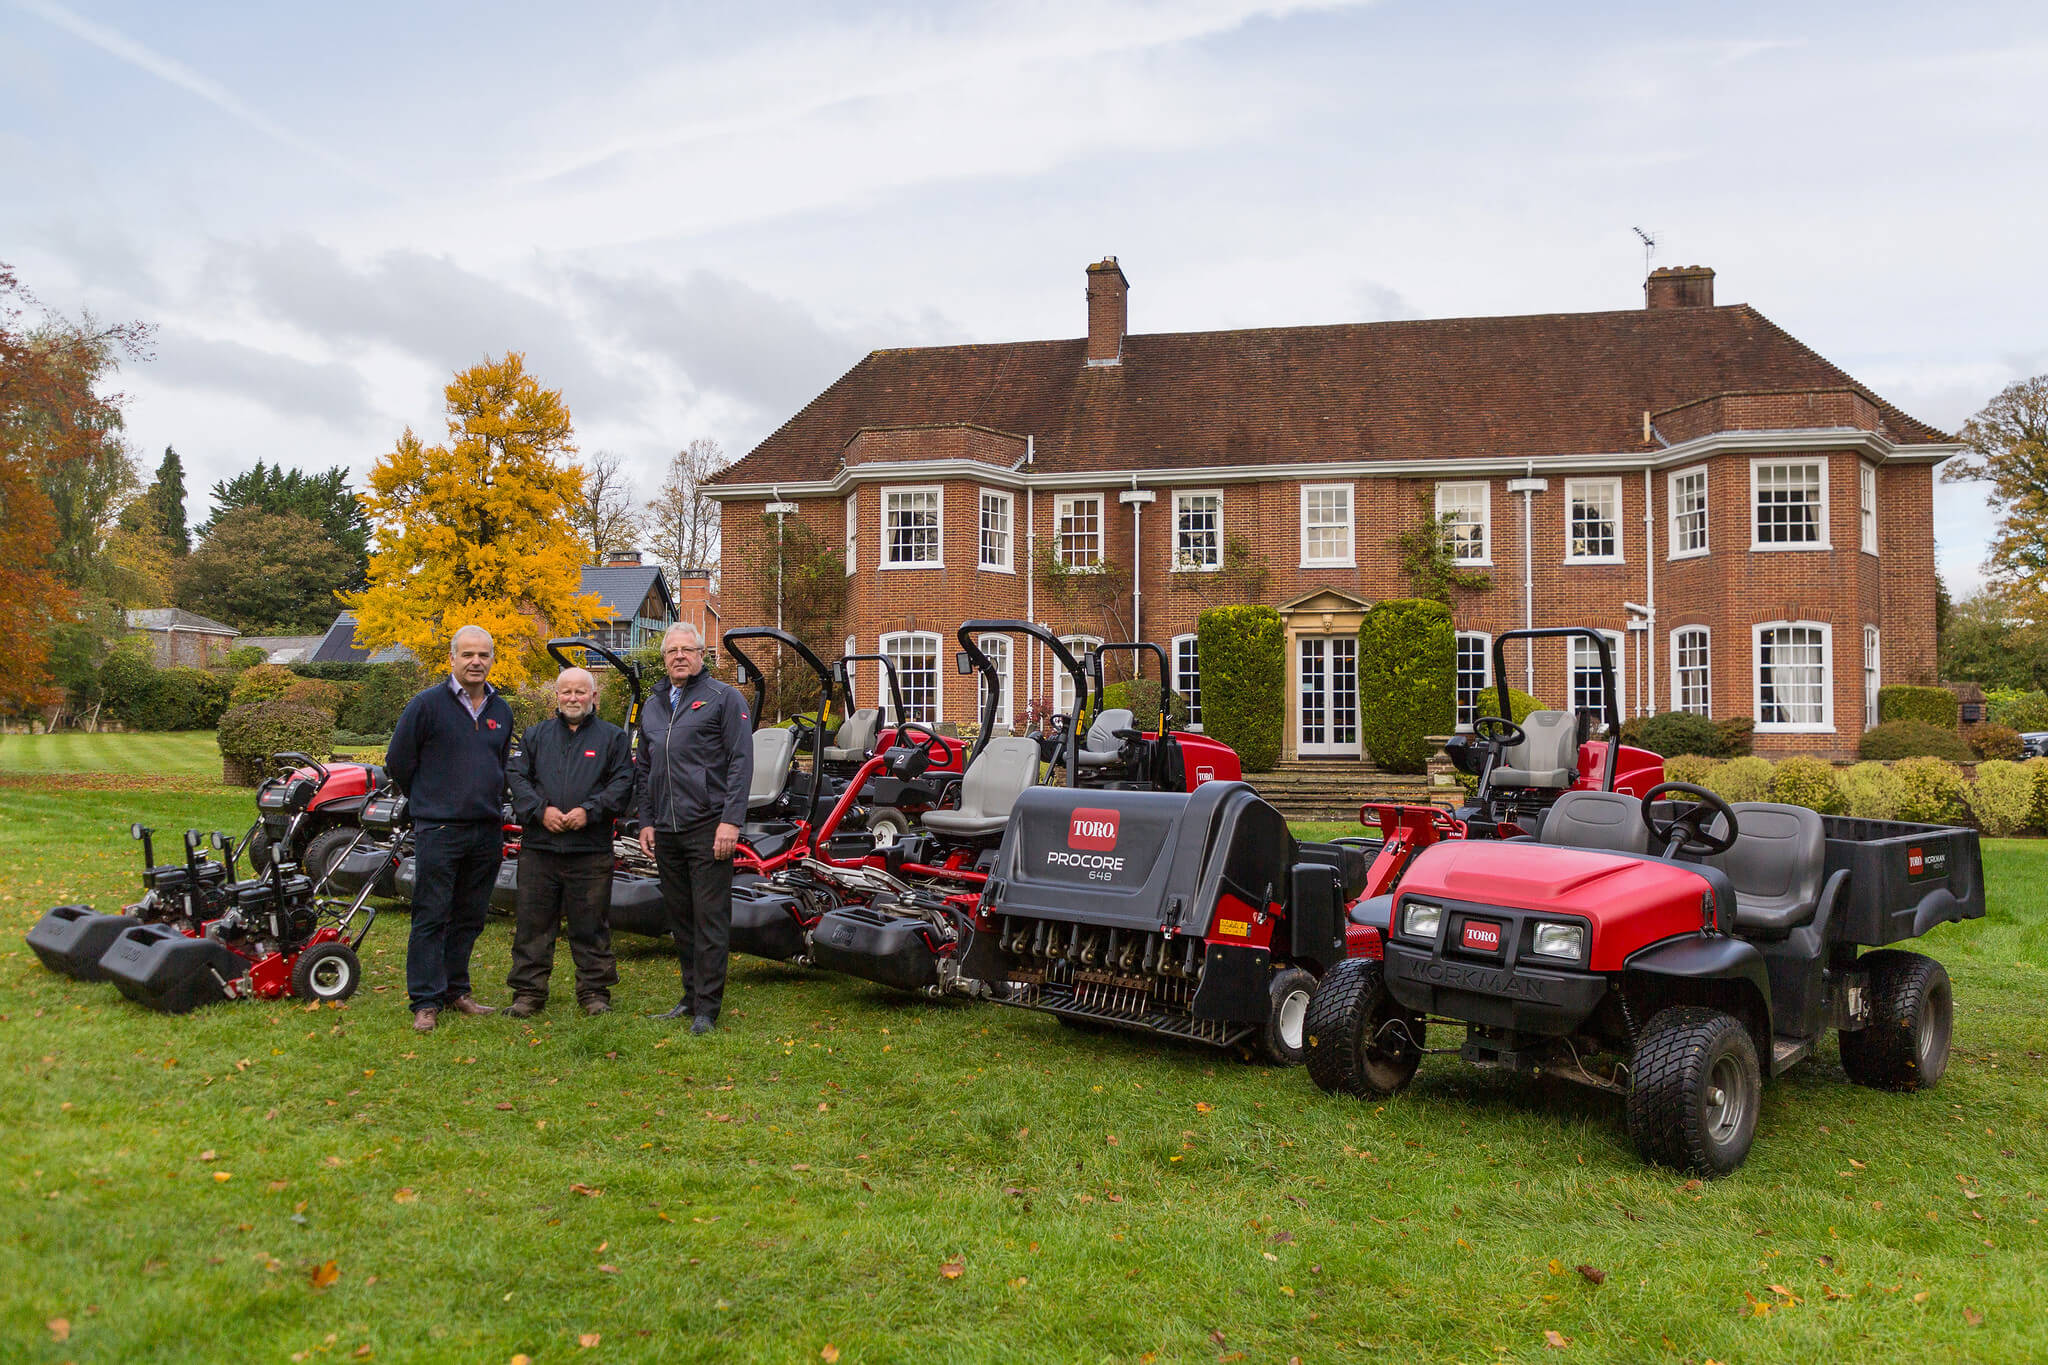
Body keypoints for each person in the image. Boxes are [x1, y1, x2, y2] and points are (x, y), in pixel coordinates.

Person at [385, 625, 515, 1033]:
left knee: (470, 915)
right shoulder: (426, 705)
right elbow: (399, 762)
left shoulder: (501, 711)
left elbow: (500, 766)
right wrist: (429, 800)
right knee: (431, 914)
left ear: (493, 659)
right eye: (468, 655)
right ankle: (425, 1000)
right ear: (452, 659)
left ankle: (456, 989)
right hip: (440, 828)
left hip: (486, 829)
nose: (476, 662)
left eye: (484, 655)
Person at [636, 621, 751, 1033]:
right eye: (672, 651)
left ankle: (707, 1007)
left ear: (702, 656)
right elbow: (645, 768)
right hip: (666, 829)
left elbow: (741, 763)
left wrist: (730, 822)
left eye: (687, 649)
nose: (679, 656)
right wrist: (646, 822)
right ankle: (689, 996)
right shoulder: (652, 706)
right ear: (664, 659)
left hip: (708, 826)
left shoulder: (723, 698)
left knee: (709, 918)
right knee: (681, 917)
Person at [502, 666, 634, 1017]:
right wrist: (540, 811)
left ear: (594, 697)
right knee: (532, 923)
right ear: (557, 696)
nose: (573, 698)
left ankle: (594, 992)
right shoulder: (536, 736)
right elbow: (516, 777)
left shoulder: (612, 739)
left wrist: (589, 812)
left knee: (590, 924)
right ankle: (529, 993)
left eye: (581, 692)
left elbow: (622, 783)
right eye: (566, 692)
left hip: (590, 850)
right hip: (540, 849)